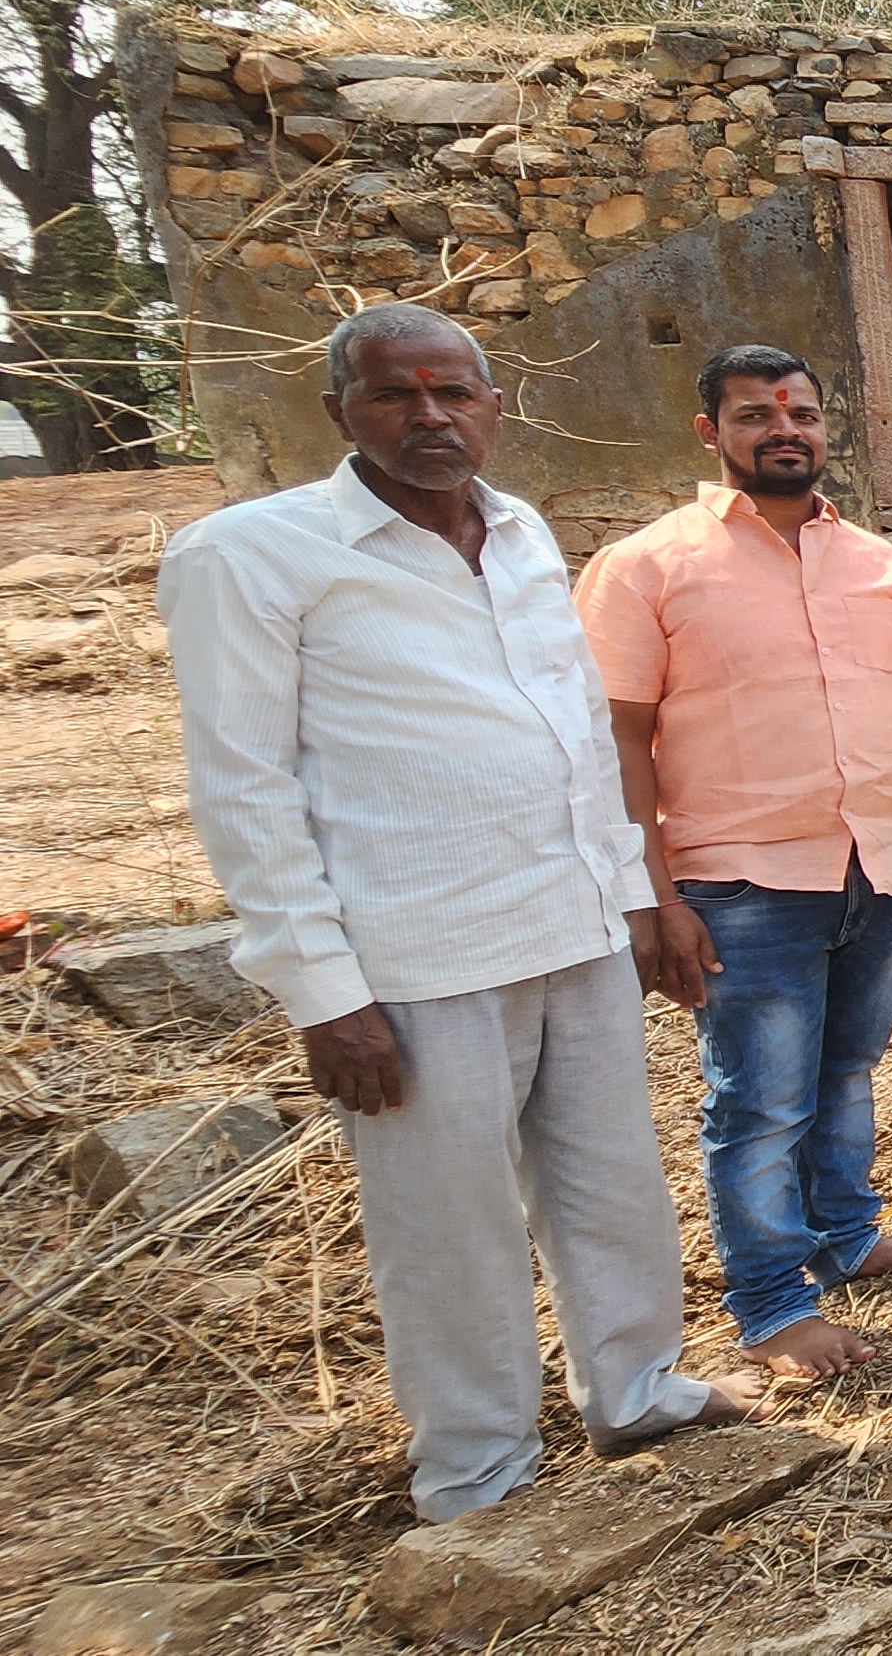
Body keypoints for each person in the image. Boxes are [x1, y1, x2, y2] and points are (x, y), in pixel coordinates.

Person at [162, 304, 758, 1520]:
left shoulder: (524, 529)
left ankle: (635, 1386)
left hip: (573, 921)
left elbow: (577, 735)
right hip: (414, 953)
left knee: (610, 1180)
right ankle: (478, 1465)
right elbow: (243, 789)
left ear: (493, 404)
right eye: (396, 395)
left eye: (456, 394)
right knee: (449, 1220)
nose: (431, 417)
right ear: (340, 412)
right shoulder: (253, 556)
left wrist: (635, 893)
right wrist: (322, 991)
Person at [579, 344, 892, 1380]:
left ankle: (844, 1237)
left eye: (800, 411)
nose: (784, 429)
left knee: (846, 1069)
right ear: (710, 433)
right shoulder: (647, 565)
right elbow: (615, 738)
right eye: (755, 415)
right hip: (743, 879)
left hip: (880, 866)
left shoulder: (875, 563)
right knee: (759, 1101)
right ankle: (768, 1300)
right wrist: (648, 893)